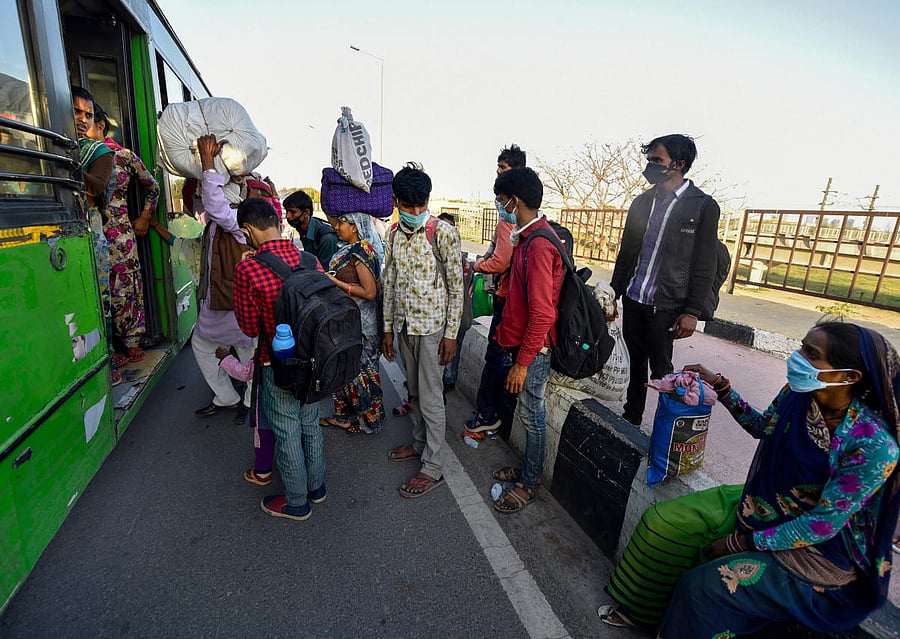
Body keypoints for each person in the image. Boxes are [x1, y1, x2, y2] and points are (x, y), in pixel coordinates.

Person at [599, 322, 900, 638]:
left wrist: (740, 541)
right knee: (661, 522)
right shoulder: (798, 395)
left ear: (849, 376)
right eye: (801, 347)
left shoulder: (873, 446)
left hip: (817, 550)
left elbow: (822, 524)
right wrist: (718, 385)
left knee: (703, 587)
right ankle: (646, 611)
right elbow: (762, 426)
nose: (797, 358)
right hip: (763, 503)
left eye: (812, 354)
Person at [611, 134, 721, 426]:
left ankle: (666, 428)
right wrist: (613, 292)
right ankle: (631, 418)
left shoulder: (703, 207)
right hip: (635, 298)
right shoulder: (642, 202)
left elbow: (705, 264)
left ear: (679, 164)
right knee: (635, 363)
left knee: (662, 370)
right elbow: (627, 252)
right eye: (649, 160)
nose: (650, 166)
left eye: (657, 161)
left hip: (668, 304)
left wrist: (692, 312)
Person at [233, 198, 327, 520]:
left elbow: (247, 327)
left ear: (247, 231)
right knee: (310, 424)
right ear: (277, 221)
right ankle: (317, 488)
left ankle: (297, 502)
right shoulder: (309, 260)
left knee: (286, 430)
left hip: (276, 363)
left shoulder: (247, 268)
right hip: (313, 361)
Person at [381, 163, 463, 499]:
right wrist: (387, 330)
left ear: (428, 201)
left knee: (431, 399)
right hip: (404, 327)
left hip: (433, 331)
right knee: (412, 392)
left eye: (421, 206)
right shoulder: (392, 235)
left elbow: (457, 288)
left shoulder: (442, 232)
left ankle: (433, 466)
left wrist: (451, 335)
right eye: (408, 206)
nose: (415, 212)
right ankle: (418, 444)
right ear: (396, 201)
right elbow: (389, 283)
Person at [489, 167, 564, 514]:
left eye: (502, 200)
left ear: (514, 200)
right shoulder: (529, 237)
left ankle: (530, 481)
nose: (500, 207)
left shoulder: (538, 244)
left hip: (534, 350)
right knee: (528, 413)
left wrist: (522, 364)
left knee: (533, 416)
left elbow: (543, 313)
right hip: (524, 346)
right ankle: (528, 470)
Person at [191, 134, 257, 423]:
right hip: (230, 302)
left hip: (231, 303)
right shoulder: (232, 219)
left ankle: (234, 397)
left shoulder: (236, 221)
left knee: (215, 345)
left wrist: (207, 160)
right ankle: (242, 398)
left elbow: (214, 204)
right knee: (245, 349)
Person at [466, 144, 526, 436]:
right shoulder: (528, 223)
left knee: (495, 357)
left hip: (507, 299)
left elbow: (501, 260)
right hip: (514, 298)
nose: (498, 173)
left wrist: (478, 267)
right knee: (501, 358)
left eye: (503, 169)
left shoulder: (509, 220)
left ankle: (486, 414)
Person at [93, 106, 160, 365]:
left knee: (124, 287)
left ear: (100, 124)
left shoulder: (123, 155)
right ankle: (108, 347)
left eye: (87, 118)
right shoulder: (77, 154)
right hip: (92, 231)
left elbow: (152, 187)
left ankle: (131, 340)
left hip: (120, 235)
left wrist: (144, 216)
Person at [320, 212, 385, 434]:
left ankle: (367, 420)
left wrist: (334, 281)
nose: (337, 227)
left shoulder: (359, 253)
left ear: (355, 227)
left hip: (361, 324)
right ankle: (346, 416)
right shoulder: (350, 250)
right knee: (346, 369)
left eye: (342, 224)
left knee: (360, 371)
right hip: (349, 319)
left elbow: (369, 292)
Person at [72, 87, 116, 382]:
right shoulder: (57, 143)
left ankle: (107, 361)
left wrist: (65, 163)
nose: (82, 119)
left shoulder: (100, 152)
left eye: (88, 114)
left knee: (100, 299)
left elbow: (97, 187)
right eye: (77, 111)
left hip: (90, 231)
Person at [214, 346, 276, 486]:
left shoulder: (264, 350)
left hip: (266, 401)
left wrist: (226, 358)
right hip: (291, 400)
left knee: (264, 436)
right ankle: (300, 469)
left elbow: (245, 373)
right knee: (291, 436)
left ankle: (262, 473)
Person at [436, 212, 470, 397]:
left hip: (458, 317)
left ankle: (448, 383)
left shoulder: (457, 257)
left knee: (450, 356)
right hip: (439, 319)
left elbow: (458, 293)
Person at [283, 190, 339, 267]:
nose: (288, 216)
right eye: (287, 212)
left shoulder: (327, 239)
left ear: (306, 213)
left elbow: (327, 274)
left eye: (292, 212)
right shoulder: (302, 228)